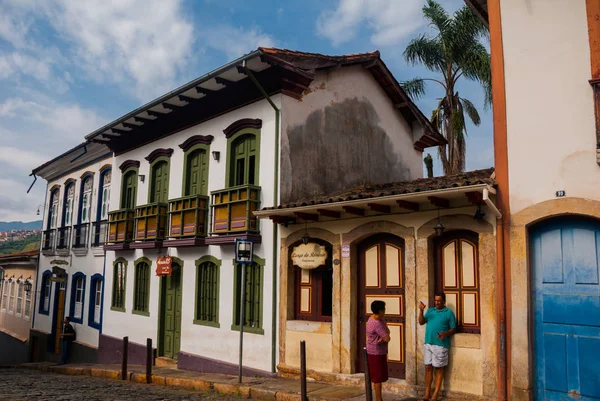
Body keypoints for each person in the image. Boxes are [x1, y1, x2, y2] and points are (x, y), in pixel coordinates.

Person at [418, 293, 456, 401]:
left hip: (441, 345)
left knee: (439, 369)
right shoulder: (430, 311)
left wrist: (445, 333)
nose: (437, 302)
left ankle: (435, 395)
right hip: (428, 343)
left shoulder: (449, 313)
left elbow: (453, 328)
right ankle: (427, 394)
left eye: (439, 301)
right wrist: (421, 310)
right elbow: (421, 322)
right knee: (428, 368)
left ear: (444, 301)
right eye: (435, 300)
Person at [366, 300, 390, 401]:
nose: (385, 311)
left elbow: (387, 331)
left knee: (379, 376)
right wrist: (385, 335)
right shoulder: (376, 323)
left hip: (380, 351)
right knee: (377, 378)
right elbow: (387, 338)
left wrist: (385, 334)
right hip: (375, 352)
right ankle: (378, 399)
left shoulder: (378, 319)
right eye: (383, 309)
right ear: (380, 311)